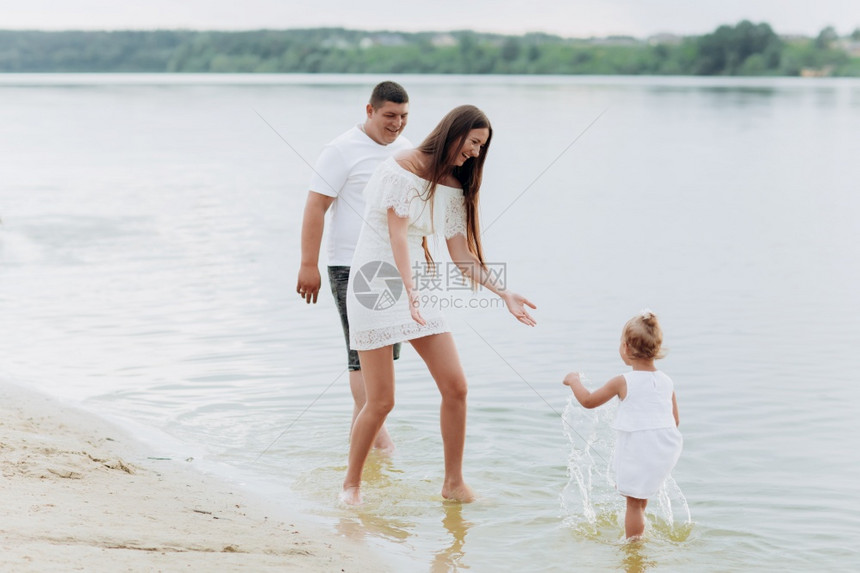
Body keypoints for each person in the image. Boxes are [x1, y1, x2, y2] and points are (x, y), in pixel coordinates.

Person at [341, 104, 537, 505]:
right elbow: (397, 235)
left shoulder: (453, 186)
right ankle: (351, 487)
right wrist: (409, 289)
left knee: (456, 386)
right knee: (381, 401)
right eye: (474, 143)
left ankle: (453, 485)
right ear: (455, 133)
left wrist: (504, 293)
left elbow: (461, 255)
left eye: (483, 147)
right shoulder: (402, 167)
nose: (477, 153)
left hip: (420, 288)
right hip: (375, 283)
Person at [296, 81, 411, 452]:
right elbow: (316, 206)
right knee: (362, 358)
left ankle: (363, 455)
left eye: (404, 116)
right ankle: (381, 448)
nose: (397, 124)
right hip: (350, 266)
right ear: (370, 111)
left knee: (383, 361)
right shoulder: (342, 149)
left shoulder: (407, 151)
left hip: (391, 269)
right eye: (390, 116)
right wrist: (307, 264)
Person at [563, 310, 682, 540]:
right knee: (640, 497)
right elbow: (675, 420)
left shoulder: (623, 381)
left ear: (626, 348)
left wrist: (573, 380)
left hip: (640, 447)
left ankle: (633, 550)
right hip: (666, 448)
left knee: (633, 504)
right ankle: (640, 533)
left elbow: (588, 401)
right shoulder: (667, 381)